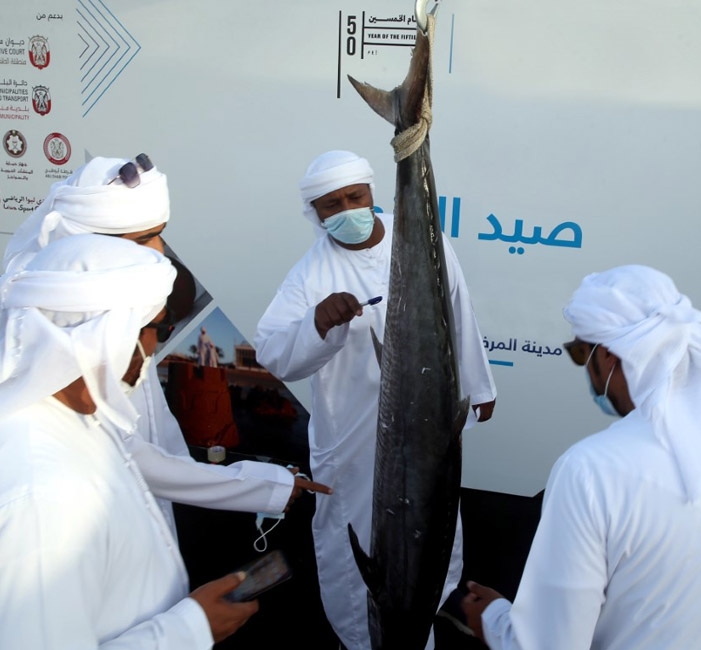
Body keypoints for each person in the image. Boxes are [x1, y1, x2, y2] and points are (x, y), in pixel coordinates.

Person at [462, 265, 701, 649]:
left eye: (578, 353)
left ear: (606, 357)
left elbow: (547, 643)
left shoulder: (592, 469)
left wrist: (493, 619)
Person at [2, 155, 330, 537]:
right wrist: (261, 486)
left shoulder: (117, 326)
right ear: (87, 242)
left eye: (160, 233)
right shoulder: (65, 338)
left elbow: (158, 441)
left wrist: (261, 483)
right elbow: (127, 455)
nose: (159, 249)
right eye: (143, 238)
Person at [254, 150, 497, 650]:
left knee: (429, 531)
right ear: (315, 214)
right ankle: (360, 641)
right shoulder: (310, 274)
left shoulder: (423, 244)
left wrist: (480, 384)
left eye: (353, 197)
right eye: (330, 205)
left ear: (371, 195)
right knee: (354, 550)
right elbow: (276, 354)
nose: (345, 210)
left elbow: (457, 308)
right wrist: (317, 323)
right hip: (353, 436)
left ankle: (426, 624)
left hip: (428, 426)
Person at [0, 234, 258, 648]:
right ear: (110, 334)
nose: (157, 345)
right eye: (157, 327)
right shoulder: (42, 492)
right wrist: (191, 629)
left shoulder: (76, 417)